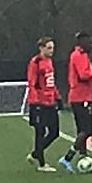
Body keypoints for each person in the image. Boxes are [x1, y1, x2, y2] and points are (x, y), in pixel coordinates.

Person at [60, 32, 92, 173]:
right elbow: (83, 75)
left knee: (83, 130)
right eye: (88, 42)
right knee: (88, 130)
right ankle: (67, 158)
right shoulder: (78, 55)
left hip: (84, 97)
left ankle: (83, 157)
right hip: (81, 98)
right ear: (81, 42)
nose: (90, 45)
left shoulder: (83, 55)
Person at [26, 36, 60, 172]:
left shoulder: (49, 62)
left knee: (54, 132)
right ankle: (41, 163)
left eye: (52, 48)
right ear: (41, 48)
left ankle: (35, 153)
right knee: (40, 131)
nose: (52, 50)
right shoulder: (36, 62)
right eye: (49, 48)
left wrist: (57, 97)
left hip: (50, 101)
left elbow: (50, 82)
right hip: (40, 102)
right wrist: (35, 102)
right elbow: (32, 83)